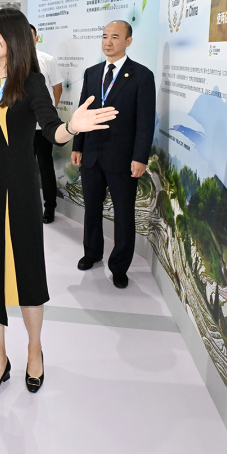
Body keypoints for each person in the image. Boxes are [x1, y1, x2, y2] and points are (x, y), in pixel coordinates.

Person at [0, 9, 116, 400]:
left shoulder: (30, 82)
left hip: (18, 190)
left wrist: (72, 127)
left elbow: (51, 130)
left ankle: (34, 350)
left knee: (27, 272)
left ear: (12, 38)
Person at [71, 20, 155, 289]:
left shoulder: (142, 75)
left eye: (115, 37)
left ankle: (119, 266)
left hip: (123, 158)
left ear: (128, 41)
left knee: (123, 214)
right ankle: (92, 252)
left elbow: (145, 122)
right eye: (105, 36)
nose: (108, 42)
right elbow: (82, 112)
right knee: (92, 208)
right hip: (92, 154)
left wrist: (140, 157)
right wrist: (77, 146)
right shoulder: (92, 73)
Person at [30, 25, 64, 224]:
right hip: (23, 127)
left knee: (45, 166)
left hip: (42, 128)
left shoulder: (47, 59)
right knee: (25, 167)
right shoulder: (14, 60)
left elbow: (57, 88)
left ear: (37, 38)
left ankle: (49, 206)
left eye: (30, 36)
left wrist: (48, 114)